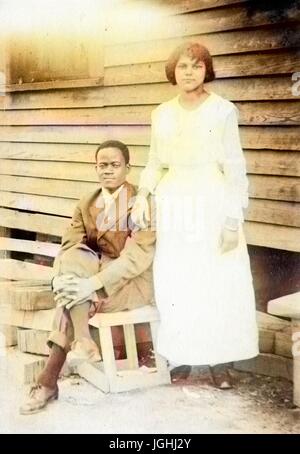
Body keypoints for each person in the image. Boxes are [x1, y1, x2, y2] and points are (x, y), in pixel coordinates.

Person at [132, 42, 259, 388]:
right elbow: (156, 161)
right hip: (175, 204)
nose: (189, 72)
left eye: (197, 66)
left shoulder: (222, 111)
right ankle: (183, 356)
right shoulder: (161, 113)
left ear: (207, 70)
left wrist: (233, 220)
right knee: (178, 280)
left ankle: (220, 364)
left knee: (216, 282)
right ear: (173, 71)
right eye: (183, 66)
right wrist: (143, 194)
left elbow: (234, 168)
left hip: (212, 202)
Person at [20, 140, 156, 414]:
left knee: (71, 298)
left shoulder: (141, 202)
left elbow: (136, 258)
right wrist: (61, 278)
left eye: (115, 165)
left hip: (131, 281)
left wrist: (90, 284)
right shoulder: (87, 202)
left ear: (128, 168)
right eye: (102, 165)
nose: (108, 171)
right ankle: (82, 339)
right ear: (95, 168)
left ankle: (48, 381)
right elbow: (70, 246)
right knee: (72, 268)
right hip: (93, 274)